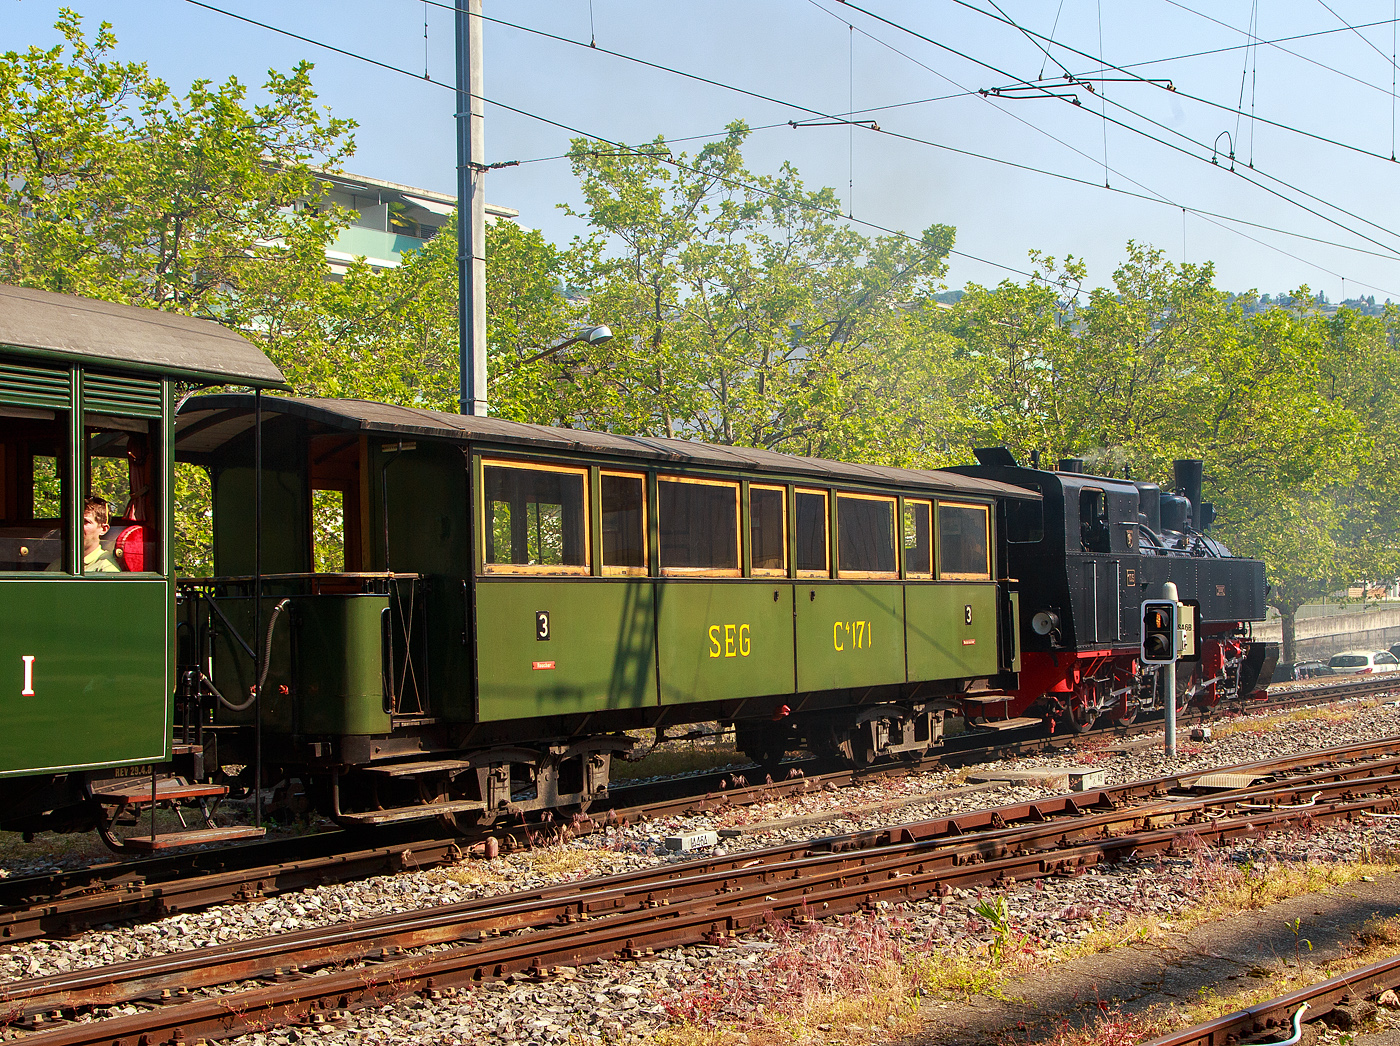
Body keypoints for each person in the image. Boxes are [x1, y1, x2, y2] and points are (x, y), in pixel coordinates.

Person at [81, 496, 121, 573]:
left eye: (85, 522)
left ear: (103, 529)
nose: (76, 527)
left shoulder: (107, 569)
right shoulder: (57, 565)